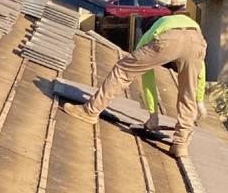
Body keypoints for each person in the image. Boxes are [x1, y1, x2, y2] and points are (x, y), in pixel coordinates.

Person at [62, 11, 207, 159]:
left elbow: (147, 76)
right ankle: (181, 144)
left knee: (123, 70)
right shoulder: (184, 22)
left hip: (170, 39)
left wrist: (153, 115)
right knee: (188, 92)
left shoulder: (152, 32)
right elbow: (200, 75)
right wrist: (200, 101)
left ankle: (90, 111)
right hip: (197, 42)